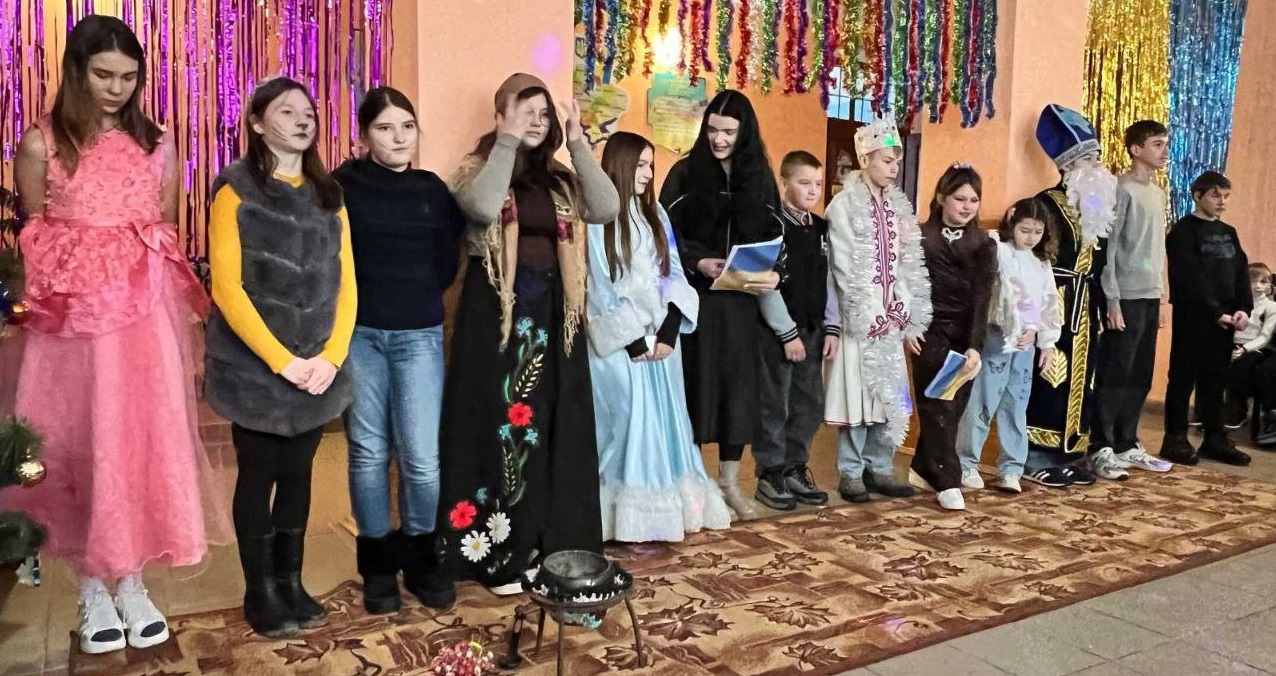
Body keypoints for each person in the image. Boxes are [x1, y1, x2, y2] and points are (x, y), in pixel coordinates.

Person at [1, 15, 227, 655]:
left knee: (137, 437)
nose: (117, 87)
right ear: (76, 71)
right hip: (72, 323)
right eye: (103, 74)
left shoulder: (157, 143)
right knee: (83, 438)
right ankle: (91, 585)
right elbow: (34, 229)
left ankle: (131, 579)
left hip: (142, 319)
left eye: (129, 77)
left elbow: (160, 221)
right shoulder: (43, 143)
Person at [436, 73, 619, 595]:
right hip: (497, 321)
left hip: (556, 321)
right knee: (503, 428)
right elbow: (482, 207)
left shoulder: (560, 179)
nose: (536, 123)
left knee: (552, 428)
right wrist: (508, 141)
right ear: (500, 115)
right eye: (524, 112)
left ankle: (546, 543)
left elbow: (605, 207)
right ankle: (498, 552)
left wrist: (578, 142)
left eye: (543, 115)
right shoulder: (477, 168)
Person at [205, 77, 356, 637]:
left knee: (298, 474)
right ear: (257, 123)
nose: (302, 120)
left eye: (308, 111)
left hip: (317, 365)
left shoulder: (328, 193)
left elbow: (348, 283)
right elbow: (227, 288)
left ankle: (291, 582)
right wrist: (282, 362)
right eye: (287, 112)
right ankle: (260, 591)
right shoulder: (235, 188)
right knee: (259, 474)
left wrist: (331, 357)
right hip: (256, 369)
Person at [332, 87, 466, 613]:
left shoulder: (431, 190)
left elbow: (447, 260)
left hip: (418, 336)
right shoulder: (342, 185)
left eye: (407, 126)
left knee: (422, 458)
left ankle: (422, 560)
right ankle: (378, 569)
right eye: (385, 128)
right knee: (368, 452)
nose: (398, 138)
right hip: (360, 334)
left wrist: (418, 299)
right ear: (364, 135)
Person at [586, 131, 731, 541]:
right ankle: (619, 516)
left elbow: (674, 274)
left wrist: (669, 330)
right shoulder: (598, 217)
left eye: (652, 165)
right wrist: (632, 339)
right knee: (626, 423)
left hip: (661, 342)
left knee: (668, 425)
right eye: (642, 165)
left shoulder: (656, 215)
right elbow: (597, 285)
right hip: (620, 345)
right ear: (620, 164)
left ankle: (664, 514)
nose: (649, 174)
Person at [659, 90, 782, 519]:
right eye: (712, 130)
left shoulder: (760, 177)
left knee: (738, 396)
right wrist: (697, 261)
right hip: (695, 303)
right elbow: (663, 234)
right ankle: (693, 483)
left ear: (744, 133)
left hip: (742, 305)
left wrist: (776, 272)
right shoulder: (684, 173)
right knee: (697, 391)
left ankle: (730, 483)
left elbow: (776, 236)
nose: (719, 139)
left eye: (728, 132)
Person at [824, 113, 931, 503]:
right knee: (858, 395)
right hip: (860, 319)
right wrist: (872, 313)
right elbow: (843, 264)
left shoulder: (897, 209)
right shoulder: (843, 206)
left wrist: (901, 309)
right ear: (865, 159)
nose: (894, 167)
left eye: (897, 161)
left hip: (891, 319)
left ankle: (880, 467)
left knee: (890, 398)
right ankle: (851, 472)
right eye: (887, 160)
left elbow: (907, 264)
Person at [1021, 105, 1115, 488]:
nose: (1098, 166)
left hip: (1086, 302)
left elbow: (1100, 261)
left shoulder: (1094, 208)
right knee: (1051, 375)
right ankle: (1036, 456)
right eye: (1090, 159)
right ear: (1069, 165)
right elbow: (1034, 259)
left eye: (1097, 158)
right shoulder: (1045, 204)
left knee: (1083, 378)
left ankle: (1069, 453)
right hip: (1055, 300)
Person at [1087, 120, 1175, 480]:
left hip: (1149, 295)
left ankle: (1127, 441)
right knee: (1116, 371)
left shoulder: (1158, 193)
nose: (1164, 151)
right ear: (1136, 150)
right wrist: (1112, 300)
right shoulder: (1120, 190)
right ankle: (1102, 445)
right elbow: (1108, 249)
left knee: (1140, 374)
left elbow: (1158, 248)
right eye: (1157, 144)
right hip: (1124, 295)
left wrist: (1163, 295)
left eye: (1165, 144)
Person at [752, 151, 840, 511]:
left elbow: (829, 278)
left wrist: (832, 326)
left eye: (817, 183)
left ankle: (794, 467)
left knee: (809, 403)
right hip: (778, 333)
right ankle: (770, 472)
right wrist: (787, 333)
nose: (813, 190)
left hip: (813, 329)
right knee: (775, 404)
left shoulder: (820, 227)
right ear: (784, 182)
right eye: (804, 183)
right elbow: (763, 283)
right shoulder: (770, 224)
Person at [957, 199, 1062, 493]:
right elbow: (1002, 292)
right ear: (1012, 222)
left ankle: (1012, 467)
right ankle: (966, 463)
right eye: (1025, 230)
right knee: (983, 400)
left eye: (1037, 232)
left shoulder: (1040, 262)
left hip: (1024, 343)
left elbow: (1046, 300)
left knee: (1016, 405)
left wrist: (1044, 339)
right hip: (997, 337)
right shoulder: (999, 250)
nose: (1030, 238)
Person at [907, 164, 996, 510]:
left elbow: (982, 298)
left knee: (954, 406)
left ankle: (921, 467)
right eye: (960, 198)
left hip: (964, 335)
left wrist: (975, 346)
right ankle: (947, 479)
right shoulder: (919, 237)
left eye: (974, 200)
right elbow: (906, 286)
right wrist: (909, 325)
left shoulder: (984, 244)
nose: (967, 206)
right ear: (942, 198)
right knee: (936, 404)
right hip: (928, 331)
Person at [1161, 171, 1252, 465]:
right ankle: (1175, 438)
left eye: (1225, 196)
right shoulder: (1183, 231)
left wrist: (1243, 308)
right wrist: (1216, 311)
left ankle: (1215, 438)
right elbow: (1189, 276)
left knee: (1216, 379)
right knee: (1183, 377)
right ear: (1197, 196)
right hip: (1195, 316)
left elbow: (1241, 272)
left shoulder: (1229, 232)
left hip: (1226, 319)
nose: (1221, 202)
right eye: (1215, 195)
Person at [1226, 263, 1276, 430]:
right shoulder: (1236, 304)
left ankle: (1237, 411)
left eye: (1264, 281)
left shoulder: (1271, 307)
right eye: (1254, 281)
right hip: (1233, 344)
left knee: (1242, 366)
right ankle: (1213, 412)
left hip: (1257, 347)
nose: (1258, 286)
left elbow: (1265, 336)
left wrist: (1244, 349)